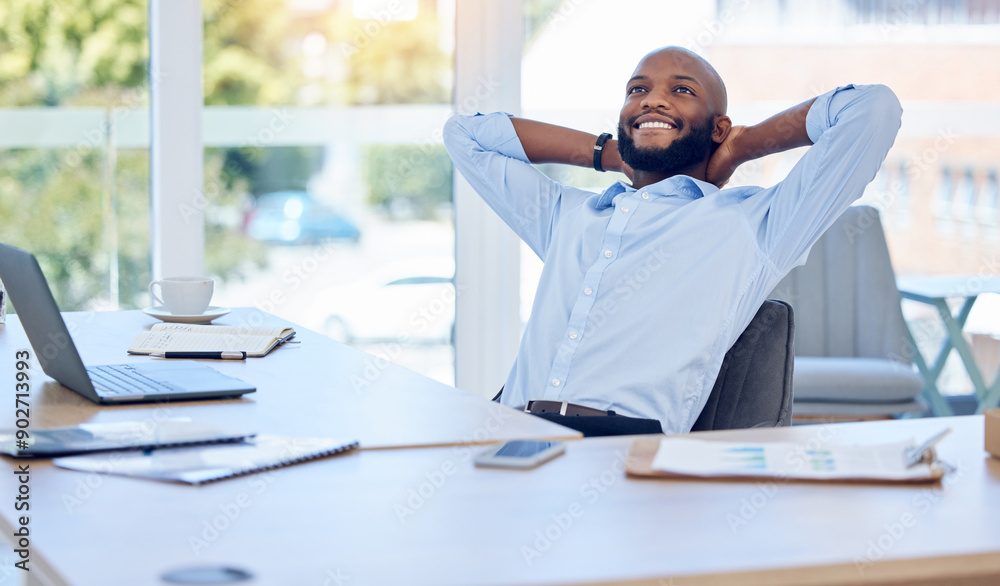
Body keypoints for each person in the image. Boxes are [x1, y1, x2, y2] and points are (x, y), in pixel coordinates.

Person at [443, 46, 902, 434]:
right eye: (637, 90)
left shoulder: (752, 224)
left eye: (681, 90)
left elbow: (871, 109)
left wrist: (741, 146)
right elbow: (465, 135)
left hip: (625, 451)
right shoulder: (568, 217)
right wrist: (610, 154)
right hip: (512, 434)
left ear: (717, 126)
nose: (651, 101)